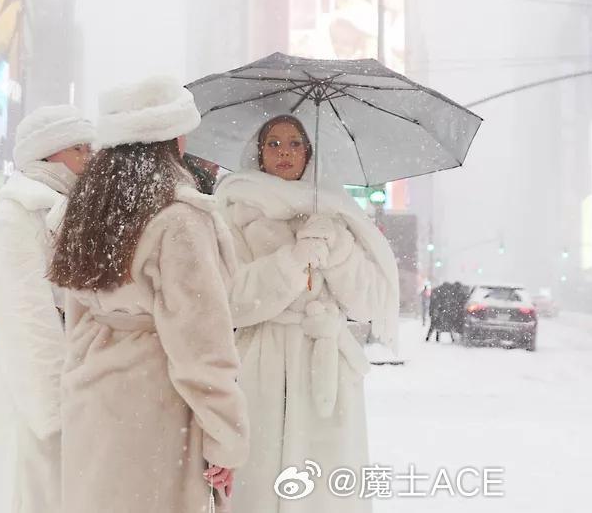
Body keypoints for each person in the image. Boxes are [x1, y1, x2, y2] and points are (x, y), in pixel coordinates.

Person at [51, 76, 248, 513]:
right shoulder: (179, 218)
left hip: (93, 401)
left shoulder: (85, 210)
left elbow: (76, 315)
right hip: (156, 407)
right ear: (172, 136)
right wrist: (224, 436)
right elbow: (201, 343)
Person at [214, 115, 399, 513]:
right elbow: (232, 299)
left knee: (327, 489)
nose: (285, 153)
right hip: (263, 365)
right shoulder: (234, 210)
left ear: (309, 152)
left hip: (327, 367)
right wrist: (293, 260)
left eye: (295, 143)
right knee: (262, 484)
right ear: (259, 153)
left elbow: (367, 302)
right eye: (274, 144)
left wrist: (337, 251)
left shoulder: (335, 212)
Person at [0, 104, 94, 513]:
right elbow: (26, 320)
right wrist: (56, 412)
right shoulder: (15, 219)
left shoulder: (66, 212)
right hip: (33, 385)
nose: (90, 157)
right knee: (31, 490)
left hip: (69, 375)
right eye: (79, 148)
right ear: (49, 154)